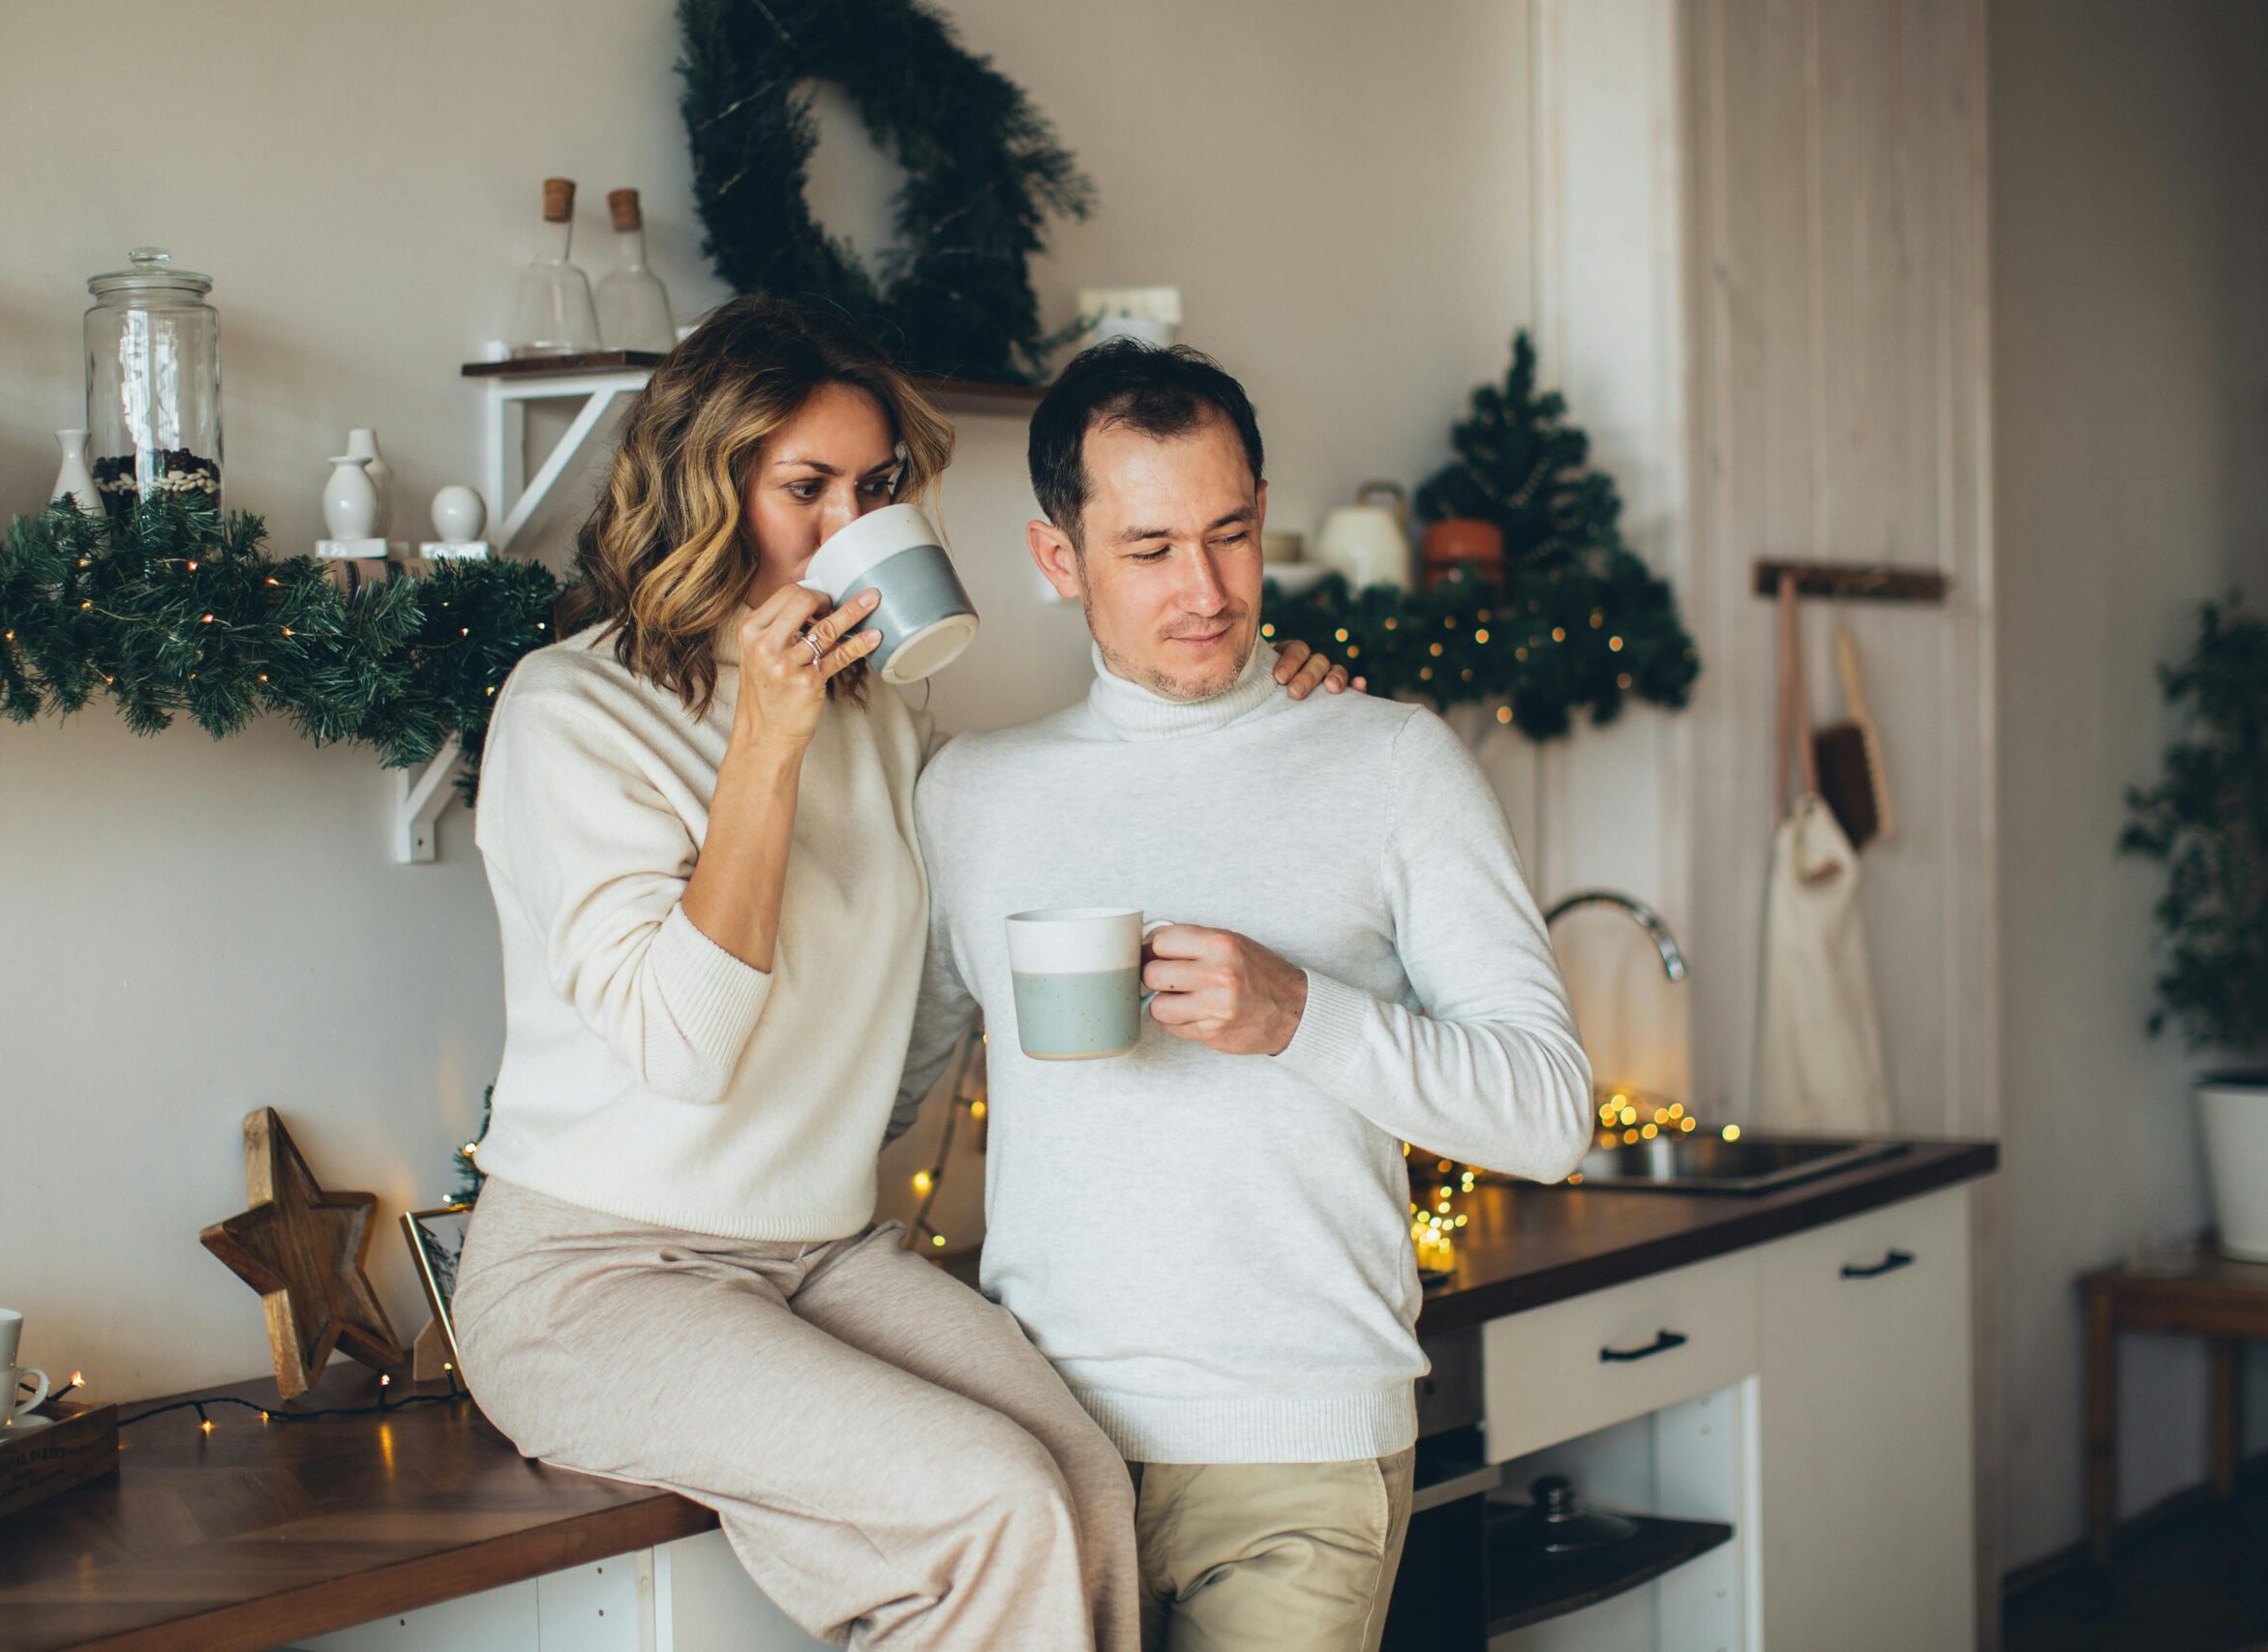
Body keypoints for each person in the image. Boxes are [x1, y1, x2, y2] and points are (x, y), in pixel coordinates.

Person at [449, 296, 1354, 1652]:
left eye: (876, 490)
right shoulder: (570, 710)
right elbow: (686, 1048)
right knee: (996, 1503)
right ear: (708, 490)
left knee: (1087, 1483)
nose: (848, 528)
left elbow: (1039, 831)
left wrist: (1252, 712)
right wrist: (764, 740)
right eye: (803, 489)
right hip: (595, 1278)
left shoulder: (885, 718)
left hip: (815, 1250)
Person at [898, 340, 1595, 1652]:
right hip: (1041, 1455)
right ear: (1061, 560)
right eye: (1151, 548)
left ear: (1264, 513)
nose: (1207, 590)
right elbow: (878, 1100)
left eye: (1229, 533)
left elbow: (1551, 1115)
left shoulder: (1391, 760)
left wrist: (1301, 1018)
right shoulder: (971, 795)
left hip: (1300, 1455)